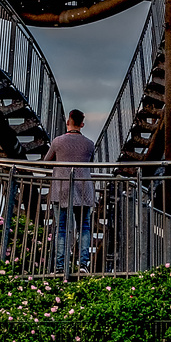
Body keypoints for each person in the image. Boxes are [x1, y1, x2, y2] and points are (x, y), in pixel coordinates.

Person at [41, 109, 97, 273]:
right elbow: (90, 162)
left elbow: (46, 162)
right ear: (82, 124)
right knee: (84, 227)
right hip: (84, 190)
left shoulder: (58, 141)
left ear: (68, 122)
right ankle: (83, 265)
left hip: (61, 190)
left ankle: (59, 267)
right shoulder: (89, 144)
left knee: (62, 228)